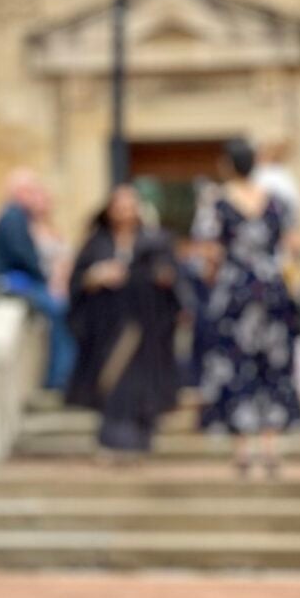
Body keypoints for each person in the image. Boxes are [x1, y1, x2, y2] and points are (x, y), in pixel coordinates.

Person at [194, 135, 300, 475]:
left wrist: (213, 279)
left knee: (234, 363)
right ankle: (270, 450)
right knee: (272, 365)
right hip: (271, 287)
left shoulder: (216, 201)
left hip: (235, 288)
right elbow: (292, 245)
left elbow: (209, 249)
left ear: (227, 165)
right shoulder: (275, 201)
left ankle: (242, 451)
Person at [64, 185, 184, 455]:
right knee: (113, 380)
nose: (125, 212)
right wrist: (97, 275)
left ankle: (141, 437)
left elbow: (172, 277)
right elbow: (77, 281)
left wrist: (159, 277)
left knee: (142, 385)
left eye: (130, 206)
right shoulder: (97, 243)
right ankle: (113, 440)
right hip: (107, 325)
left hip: (145, 325)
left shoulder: (154, 241)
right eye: (119, 206)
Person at [0, 170, 74, 389]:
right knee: (60, 309)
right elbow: (23, 255)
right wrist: (45, 279)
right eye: (30, 190)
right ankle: (60, 378)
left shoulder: (12, 216)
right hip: (13, 282)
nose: (34, 196)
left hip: (19, 281)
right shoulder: (13, 216)